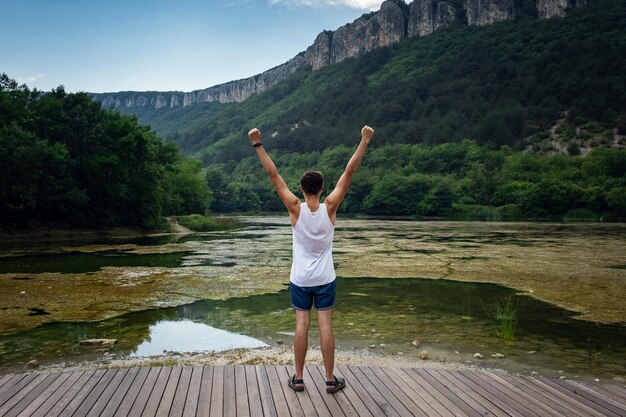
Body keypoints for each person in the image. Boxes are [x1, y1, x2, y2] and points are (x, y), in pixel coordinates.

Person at [247, 125, 374, 394]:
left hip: (301, 279)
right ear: (322, 188)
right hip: (325, 278)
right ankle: (330, 379)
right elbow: (349, 172)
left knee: (301, 324)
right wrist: (364, 140)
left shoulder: (295, 208)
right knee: (326, 325)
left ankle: (299, 377)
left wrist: (258, 144)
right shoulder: (330, 207)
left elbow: (273, 175)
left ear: (302, 189)